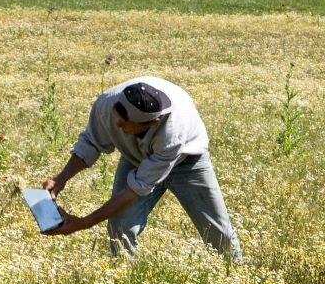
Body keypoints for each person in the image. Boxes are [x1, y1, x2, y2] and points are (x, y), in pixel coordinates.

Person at [36, 76, 243, 262]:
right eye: (118, 115)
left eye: (126, 124)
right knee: (120, 227)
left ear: (154, 122)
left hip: (188, 161)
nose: (117, 124)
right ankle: (124, 279)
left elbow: (134, 191)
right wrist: (60, 179)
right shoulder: (108, 103)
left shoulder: (172, 134)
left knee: (218, 233)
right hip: (137, 157)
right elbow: (91, 142)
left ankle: (235, 274)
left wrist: (84, 223)